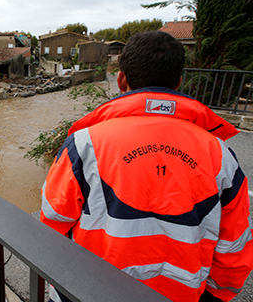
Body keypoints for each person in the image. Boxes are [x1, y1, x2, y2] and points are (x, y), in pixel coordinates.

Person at [41, 31, 253, 302]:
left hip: (88, 292)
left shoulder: (84, 145)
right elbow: (234, 248)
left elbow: (52, 224)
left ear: (121, 80)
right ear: (178, 83)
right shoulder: (220, 155)